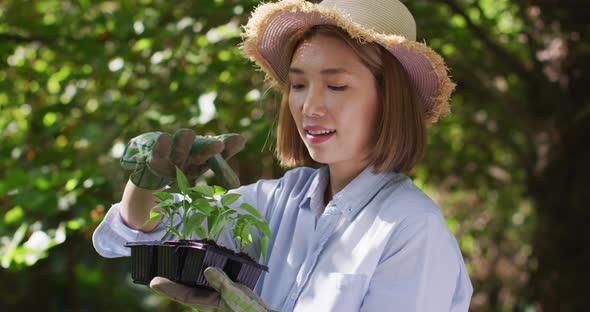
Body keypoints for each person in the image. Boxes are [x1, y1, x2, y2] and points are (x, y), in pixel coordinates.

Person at [93, 0, 474, 311]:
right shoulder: (276, 202)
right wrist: (147, 181)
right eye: (298, 85)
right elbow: (135, 232)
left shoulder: (410, 229)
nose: (310, 106)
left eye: (336, 85)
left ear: (390, 99)